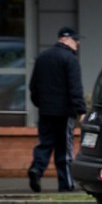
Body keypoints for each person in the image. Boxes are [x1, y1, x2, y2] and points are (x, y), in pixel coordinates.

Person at [28, 27, 87, 193]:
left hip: (46, 111)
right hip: (64, 113)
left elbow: (33, 86)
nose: (78, 44)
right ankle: (66, 184)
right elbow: (75, 88)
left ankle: (36, 169)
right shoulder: (70, 59)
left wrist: (41, 104)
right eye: (76, 41)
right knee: (64, 149)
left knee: (45, 144)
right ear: (67, 40)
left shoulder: (42, 57)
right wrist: (81, 110)